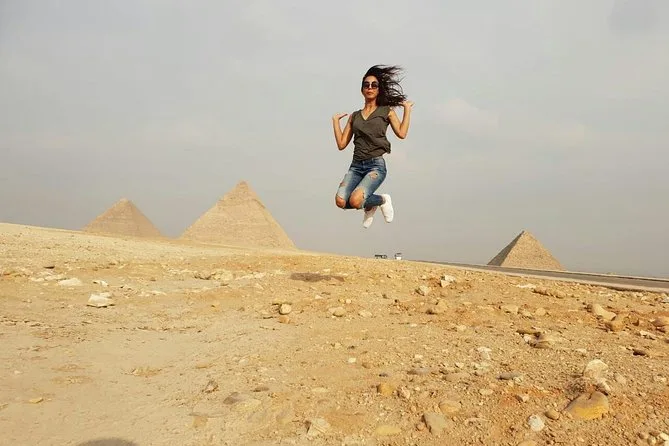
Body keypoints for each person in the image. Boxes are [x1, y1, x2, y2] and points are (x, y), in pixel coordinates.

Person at [332, 64, 413, 228]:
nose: (370, 87)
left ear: (378, 89)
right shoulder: (354, 116)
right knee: (340, 201)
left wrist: (407, 110)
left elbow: (402, 133)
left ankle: (382, 200)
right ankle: (370, 204)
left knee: (355, 201)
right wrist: (335, 122)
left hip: (375, 166)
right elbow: (341, 144)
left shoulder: (386, 111)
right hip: (356, 166)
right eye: (366, 85)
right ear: (362, 89)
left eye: (374, 85)